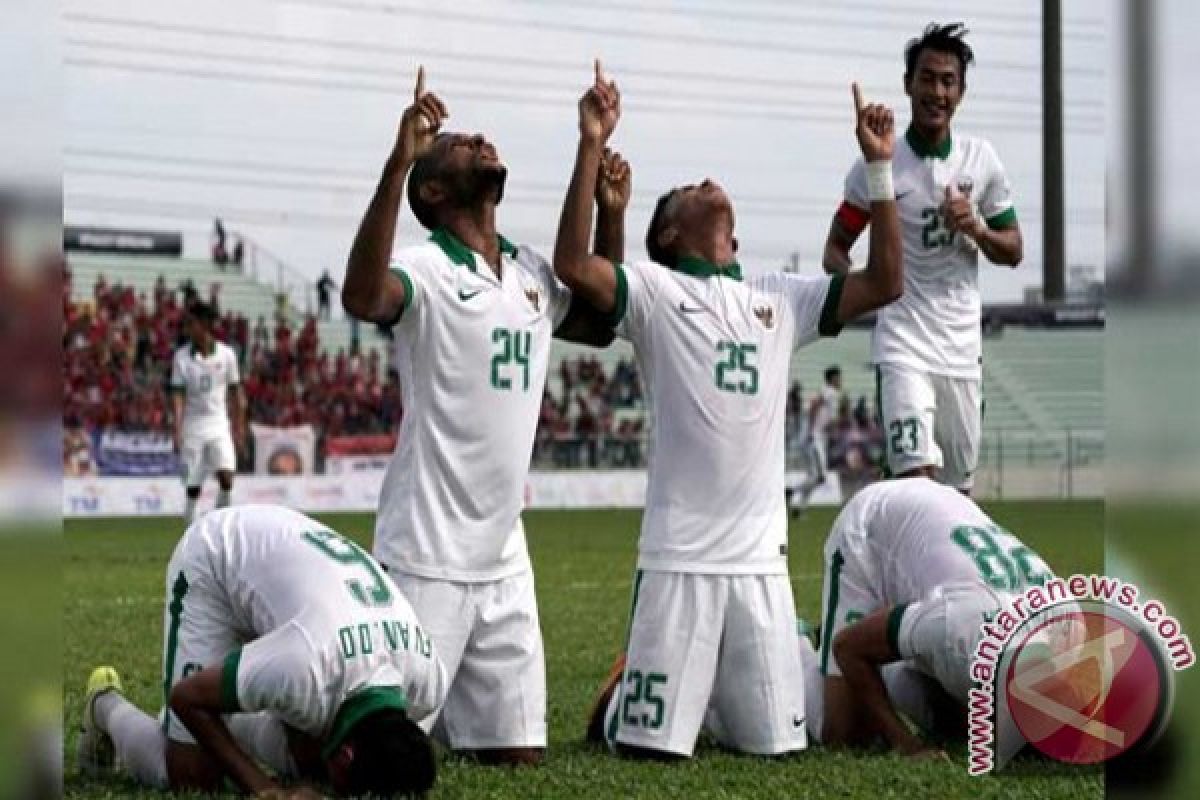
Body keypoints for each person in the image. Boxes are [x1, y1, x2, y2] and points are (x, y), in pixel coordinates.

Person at [560, 63, 903, 758]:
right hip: (679, 559)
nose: (706, 180)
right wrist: (592, 141)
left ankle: (709, 688)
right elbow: (573, 263)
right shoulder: (654, 292)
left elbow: (887, 281)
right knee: (648, 751)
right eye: (687, 189)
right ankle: (622, 697)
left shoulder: (780, 298)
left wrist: (879, 171)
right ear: (670, 236)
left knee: (778, 749)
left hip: (761, 566)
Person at [340, 66, 621, 765]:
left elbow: (598, 316)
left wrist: (598, 166)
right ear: (433, 190)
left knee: (518, 756)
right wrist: (396, 160)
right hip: (426, 552)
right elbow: (362, 295)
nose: (480, 140)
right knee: (368, 751)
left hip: (504, 556)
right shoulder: (427, 267)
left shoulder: (527, 271)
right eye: (463, 144)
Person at [76, 504, 446, 797]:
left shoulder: (429, 681)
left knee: (311, 758)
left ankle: (228, 715)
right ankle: (104, 704)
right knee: (192, 777)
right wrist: (265, 788)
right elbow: (186, 698)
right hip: (216, 558)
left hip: (289, 581)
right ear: (347, 758)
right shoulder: (306, 666)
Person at [823, 22, 1023, 493]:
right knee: (915, 484)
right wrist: (868, 288)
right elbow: (835, 249)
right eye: (927, 78)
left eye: (947, 81)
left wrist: (975, 225)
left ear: (962, 91)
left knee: (958, 499)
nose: (937, 91)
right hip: (902, 345)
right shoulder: (878, 165)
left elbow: (1014, 249)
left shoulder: (982, 160)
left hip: (960, 352)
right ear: (908, 83)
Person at [813, 477, 1054, 757]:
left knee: (953, 723)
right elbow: (848, 648)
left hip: (942, 520)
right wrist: (906, 745)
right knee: (845, 730)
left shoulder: (1067, 622)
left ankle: (895, 648)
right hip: (876, 521)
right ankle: (799, 642)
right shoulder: (958, 629)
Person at [170, 301, 246, 523]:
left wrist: (239, 427)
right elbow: (177, 396)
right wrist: (177, 428)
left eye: (191, 324)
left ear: (204, 326)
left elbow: (236, 393)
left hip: (219, 423)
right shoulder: (181, 357)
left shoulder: (227, 355)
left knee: (227, 476)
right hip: (193, 423)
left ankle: (219, 521)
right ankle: (191, 528)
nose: (187, 329)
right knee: (193, 485)